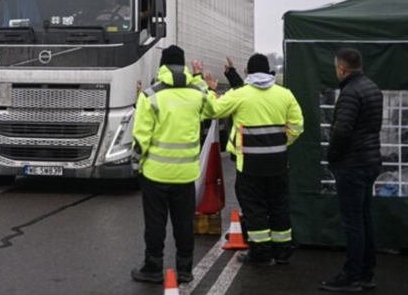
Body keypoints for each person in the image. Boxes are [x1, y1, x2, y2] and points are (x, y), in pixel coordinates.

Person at [204, 54, 304, 266]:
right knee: (279, 205)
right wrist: (281, 143)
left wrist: (212, 91)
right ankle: (283, 250)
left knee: (255, 208)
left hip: (249, 165)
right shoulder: (285, 94)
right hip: (278, 162)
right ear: (269, 71)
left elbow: (213, 110)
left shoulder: (240, 95)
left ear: (248, 72)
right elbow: (297, 126)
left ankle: (261, 253)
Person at [130, 45, 213, 285]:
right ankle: (185, 269)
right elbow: (212, 110)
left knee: (155, 223)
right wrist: (201, 82)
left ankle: (153, 267)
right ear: (183, 65)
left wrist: (136, 166)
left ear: (163, 66)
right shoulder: (197, 94)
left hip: (155, 174)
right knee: (184, 223)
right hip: (186, 174)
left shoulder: (150, 95)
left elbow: (141, 138)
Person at [320, 48, 383, 292]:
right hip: (370, 162)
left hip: (352, 165)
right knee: (365, 218)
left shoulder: (349, 93)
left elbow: (342, 130)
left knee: (353, 222)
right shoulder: (372, 88)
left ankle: (351, 276)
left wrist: (332, 157)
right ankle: (367, 272)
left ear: (342, 68)